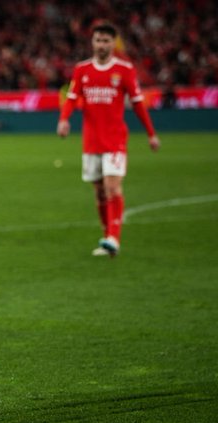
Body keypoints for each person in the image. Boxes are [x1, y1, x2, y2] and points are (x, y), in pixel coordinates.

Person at [57, 22, 160, 256]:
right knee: (99, 192)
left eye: (105, 40)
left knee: (112, 187)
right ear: (92, 43)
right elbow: (71, 98)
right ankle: (107, 236)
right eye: (98, 40)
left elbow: (138, 104)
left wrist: (151, 134)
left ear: (113, 43)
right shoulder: (82, 69)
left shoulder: (124, 70)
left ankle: (114, 237)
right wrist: (63, 120)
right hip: (91, 141)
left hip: (115, 140)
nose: (101, 45)